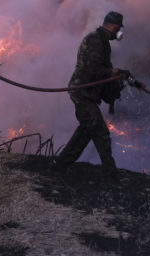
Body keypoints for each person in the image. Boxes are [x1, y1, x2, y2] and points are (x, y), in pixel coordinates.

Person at [55, 11, 129, 178]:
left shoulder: (103, 42)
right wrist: (113, 72)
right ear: (112, 26)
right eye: (118, 28)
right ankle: (111, 173)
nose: (119, 33)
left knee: (86, 131)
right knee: (100, 132)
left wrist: (117, 77)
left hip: (87, 92)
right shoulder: (95, 40)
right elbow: (93, 70)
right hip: (82, 92)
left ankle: (59, 166)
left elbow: (105, 68)